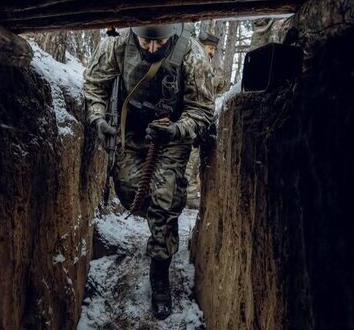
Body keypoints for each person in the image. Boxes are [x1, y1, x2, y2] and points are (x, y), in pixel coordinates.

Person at [84, 23, 214, 319]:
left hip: (172, 135)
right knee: (130, 191)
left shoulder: (192, 53)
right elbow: (94, 85)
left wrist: (178, 129)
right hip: (131, 132)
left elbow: (202, 109)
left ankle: (160, 271)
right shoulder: (114, 46)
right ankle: (162, 223)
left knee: (165, 199)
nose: (153, 49)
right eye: (146, 43)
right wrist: (97, 119)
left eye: (159, 43)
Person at [185, 31, 220, 209]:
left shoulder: (211, 67)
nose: (212, 51)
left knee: (195, 158)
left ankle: (189, 193)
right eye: (209, 47)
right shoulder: (194, 61)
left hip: (202, 120)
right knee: (189, 159)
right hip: (190, 119)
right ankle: (188, 195)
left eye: (214, 48)